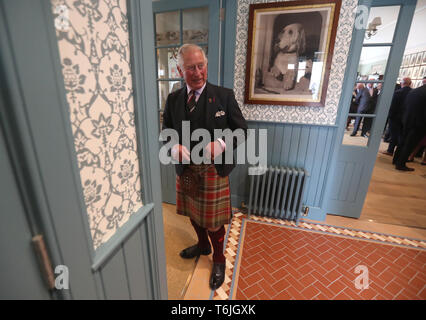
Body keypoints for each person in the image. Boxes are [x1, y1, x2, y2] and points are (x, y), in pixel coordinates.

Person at [162, 44, 248, 290]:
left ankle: (219, 259)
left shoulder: (224, 96)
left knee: (213, 221)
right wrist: (172, 147)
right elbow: (166, 132)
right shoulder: (173, 99)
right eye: (191, 67)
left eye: (201, 66)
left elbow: (242, 131)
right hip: (186, 170)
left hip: (213, 170)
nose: (198, 72)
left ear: (206, 66)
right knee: (193, 213)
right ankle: (202, 245)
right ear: (180, 69)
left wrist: (222, 143)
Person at [393, 77, 426, 171]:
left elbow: (405, 105)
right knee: (410, 144)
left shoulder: (415, 91)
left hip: (407, 119)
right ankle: (401, 164)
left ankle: (396, 160)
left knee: (402, 141)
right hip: (419, 123)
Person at [381, 77, 412, 156]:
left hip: (395, 117)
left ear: (402, 83)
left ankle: (390, 150)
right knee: (401, 134)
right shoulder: (412, 93)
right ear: (410, 83)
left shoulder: (398, 92)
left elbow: (392, 106)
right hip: (406, 118)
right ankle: (398, 152)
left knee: (393, 134)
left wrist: (389, 116)